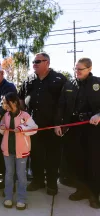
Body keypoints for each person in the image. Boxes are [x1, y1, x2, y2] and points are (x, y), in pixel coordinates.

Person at [18, 52, 67, 195]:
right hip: (33, 126)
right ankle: (37, 180)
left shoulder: (59, 79)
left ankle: (51, 183)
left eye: (38, 61)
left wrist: (60, 123)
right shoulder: (29, 79)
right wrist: (23, 116)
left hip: (53, 126)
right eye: (33, 61)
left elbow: (64, 103)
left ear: (47, 63)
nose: (34, 64)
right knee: (36, 155)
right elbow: (21, 97)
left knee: (52, 156)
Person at [55, 57, 100, 209]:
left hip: (93, 129)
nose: (77, 72)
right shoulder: (69, 84)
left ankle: (94, 194)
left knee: (93, 162)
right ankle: (82, 190)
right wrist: (58, 124)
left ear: (89, 69)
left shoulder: (97, 84)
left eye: (80, 69)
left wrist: (99, 115)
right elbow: (61, 106)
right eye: (75, 69)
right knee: (77, 161)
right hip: (74, 128)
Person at [0, 92, 38, 210]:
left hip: (21, 151)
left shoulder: (25, 115)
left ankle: (21, 199)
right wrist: (1, 128)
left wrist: (22, 128)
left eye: (6, 102)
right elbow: (1, 130)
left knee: (21, 175)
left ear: (14, 102)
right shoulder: (5, 115)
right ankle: (8, 197)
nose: (4, 105)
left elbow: (34, 129)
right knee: (9, 174)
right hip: (7, 150)